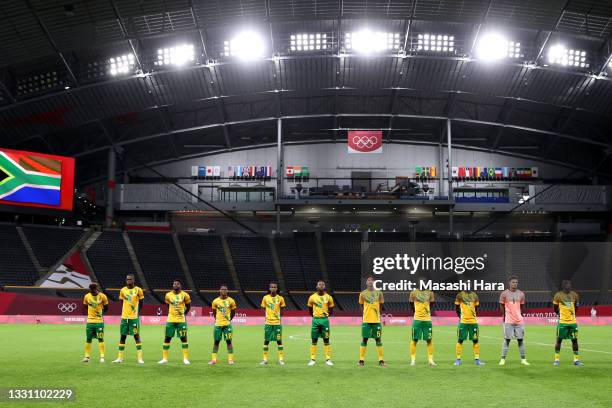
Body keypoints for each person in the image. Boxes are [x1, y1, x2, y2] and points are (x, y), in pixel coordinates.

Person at [112, 274, 145, 364]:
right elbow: (122, 302)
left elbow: (141, 303)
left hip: (134, 318)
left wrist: (136, 312)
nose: (128, 281)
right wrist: (126, 312)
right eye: (127, 279)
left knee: (136, 336)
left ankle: (140, 358)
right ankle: (120, 358)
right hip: (124, 317)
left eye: (130, 279)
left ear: (133, 280)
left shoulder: (138, 290)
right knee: (122, 336)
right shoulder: (123, 290)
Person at [158, 279, 191, 365]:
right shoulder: (168, 295)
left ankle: (185, 359)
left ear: (180, 285)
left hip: (181, 320)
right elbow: (168, 306)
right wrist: (172, 314)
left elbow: (188, 306)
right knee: (167, 338)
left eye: (177, 284)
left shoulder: (185, 295)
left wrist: (183, 314)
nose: (175, 285)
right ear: (173, 285)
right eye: (174, 284)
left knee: (183, 338)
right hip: (171, 320)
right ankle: (164, 359)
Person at [499, 276, 529, 366]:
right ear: (509, 283)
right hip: (508, 321)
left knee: (520, 340)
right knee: (507, 340)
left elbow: (522, 306)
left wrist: (520, 315)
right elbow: (501, 305)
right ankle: (502, 359)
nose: (515, 284)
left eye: (516, 282)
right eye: (513, 282)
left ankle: (523, 359)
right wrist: (504, 315)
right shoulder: (504, 294)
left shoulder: (521, 294)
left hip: (519, 321)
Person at [553, 280, 583, 366]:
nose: (569, 286)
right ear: (563, 286)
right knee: (559, 340)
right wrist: (559, 314)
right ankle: (556, 360)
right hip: (562, 322)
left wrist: (572, 315)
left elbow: (576, 307)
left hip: (572, 322)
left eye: (570, 284)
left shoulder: (575, 295)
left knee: (574, 340)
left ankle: (576, 360)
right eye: (567, 285)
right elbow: (555, 308)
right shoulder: (558, 295)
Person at [358, 276, 385, 366]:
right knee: (364, 339)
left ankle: (381, 361)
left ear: (374, 282)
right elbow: (361, 305)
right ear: (366, 283)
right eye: (368, 280)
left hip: (376, 321)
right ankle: (361, 360)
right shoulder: (362, 294)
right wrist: (366, 312)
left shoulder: (379, 293)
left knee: (378, 339)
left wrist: (377, 313)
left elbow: (381, 305)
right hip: (366, 320)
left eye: (371, 280)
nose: (370, 282)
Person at [307, 280, 334, 366]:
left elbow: (331, 309)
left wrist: (325, 316)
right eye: (320, 284)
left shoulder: (329, 297)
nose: (321, 286)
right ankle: (312, 359)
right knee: (314, 339)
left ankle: (328, 359)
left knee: (326, 339)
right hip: (315, 320)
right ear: (316, 286)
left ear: (325, 287)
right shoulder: (312, 297)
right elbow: (310, 309)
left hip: (324, 320)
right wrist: (315, 316)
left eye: (323, 285)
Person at [454, 290, 484, 365]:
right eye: (466, 283)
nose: (467, 285)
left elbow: (476, 307)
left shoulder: (475, 295)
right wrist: (460, 317)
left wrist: (472, 315)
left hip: (473, 322)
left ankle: (477, 360)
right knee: (460, 340)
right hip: (463, 322)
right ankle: (458, 359)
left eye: (469, 283)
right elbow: (456, 308)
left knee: (475, 340)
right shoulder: (459, 295)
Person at [81, 283, 109, 363]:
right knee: (88, 339)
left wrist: (100, 314)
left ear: (95, 289)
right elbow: (85, 306)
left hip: (99, 322)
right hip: (90, 321)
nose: (91, 291)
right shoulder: (87, 296)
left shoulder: (102, 296)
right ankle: (87, 357)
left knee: (100, 338)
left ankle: (102, 357)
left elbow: (106, 307)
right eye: (90, 289)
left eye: (92, 289)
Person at [209, 284, 236, 365]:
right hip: (218, 325)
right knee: (216, 342)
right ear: (219, 291)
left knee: (229, 341)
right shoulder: (215, 301)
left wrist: (229, 320)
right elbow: (214, 312)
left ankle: (230, 360)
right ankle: (213, 360)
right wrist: (217, 320)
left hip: (227, 325)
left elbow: (233, 312)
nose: (224, 290)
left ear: (227, 291)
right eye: (222, 289)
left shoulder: (231, 301)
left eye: (225, 289)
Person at [260, 282, 286, 365]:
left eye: (275, 287)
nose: (273, 288)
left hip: (277, 323)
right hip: (268, 323)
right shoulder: (265, 298)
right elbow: (263, 308)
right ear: (269, 288)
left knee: (279, 341)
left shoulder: (280, 298)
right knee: (266, 341)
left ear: (277, 289)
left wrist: (278, 317)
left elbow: (282, 310)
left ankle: (281, 359)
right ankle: (265, 359)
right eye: (272, 287)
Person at [409, 288, 436, 366]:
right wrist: (416, 312)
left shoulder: (430, 292)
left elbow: (432, 303)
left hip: (427, 320)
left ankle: (430, 360)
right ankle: (413, 360)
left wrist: (426, 311)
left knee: (429, 340)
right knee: (414, 339)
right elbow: (411, 304)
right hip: (417, 320)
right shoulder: (413, 293)